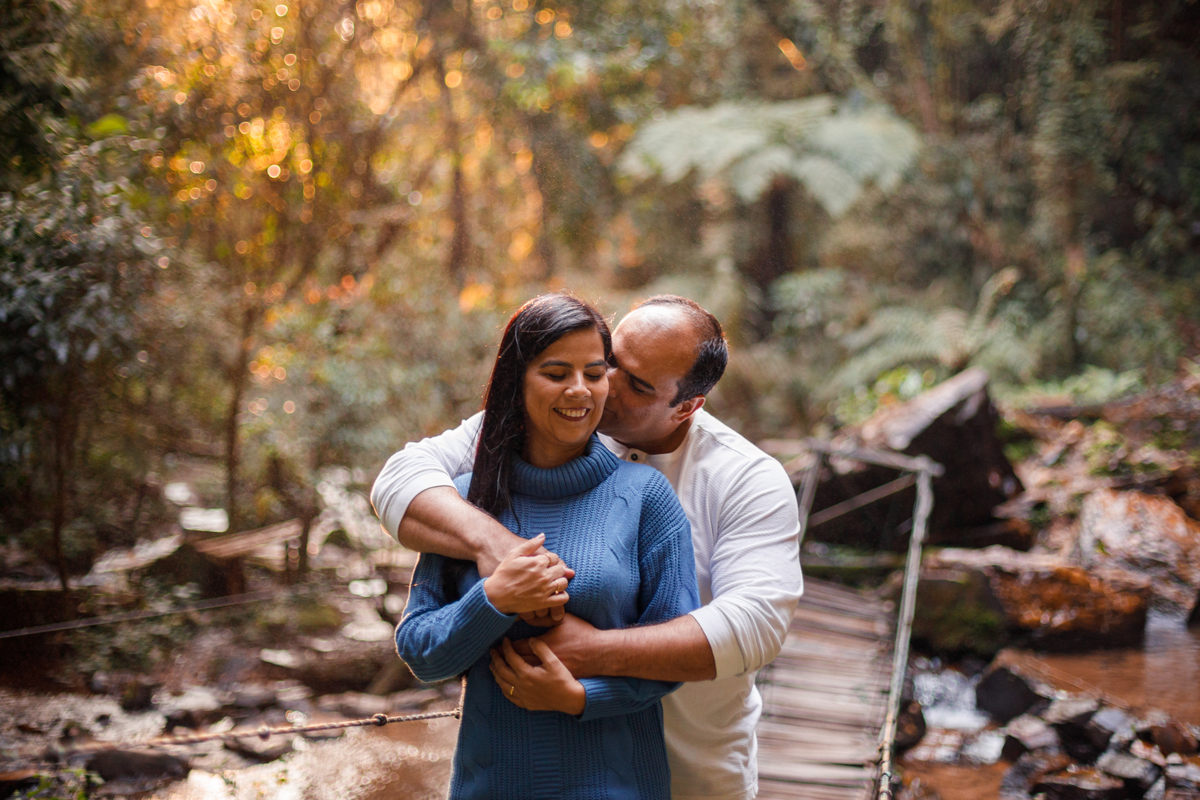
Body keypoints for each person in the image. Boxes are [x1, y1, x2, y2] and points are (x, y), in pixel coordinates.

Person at [375, 295, 804, 800]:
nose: (604, 387)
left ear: (687, 406)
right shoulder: (544, 418)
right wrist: (503, 553)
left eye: (638, 384)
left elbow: (755, 624)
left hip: (693, 771)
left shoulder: (744, 478)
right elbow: (400, 480)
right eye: (611, 362)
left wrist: (589, 657)